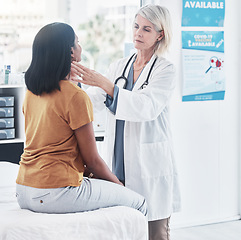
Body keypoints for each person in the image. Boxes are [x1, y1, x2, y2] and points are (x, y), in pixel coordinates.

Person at [15, 22, 147, 217]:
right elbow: (92, 161)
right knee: (139, 203)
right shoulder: (75, 96)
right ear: (70, 52)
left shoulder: (32, 91)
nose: (80, 47)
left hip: (24, 189)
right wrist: (119, 186)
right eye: (77, 42)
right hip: (54, 191)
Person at [71, 4, 181, 240]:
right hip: (118, 161)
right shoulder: (119, 66)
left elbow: (146, 107)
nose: (138, 33)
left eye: (147, 29)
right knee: (124, 229)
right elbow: (93, 102)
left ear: (160, 34)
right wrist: (70, 90)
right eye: (136, 26)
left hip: (148, 164)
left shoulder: (165, 70)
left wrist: (105, 83)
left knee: (156, 233)